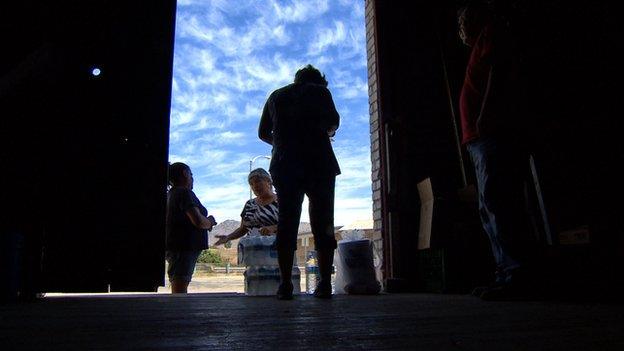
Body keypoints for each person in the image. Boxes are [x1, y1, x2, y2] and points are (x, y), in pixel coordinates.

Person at [458, 3, 537, 300]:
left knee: (498, 202)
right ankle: (506, 273)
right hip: (480, 137)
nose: (461, 29)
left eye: (463, 22)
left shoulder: (490, 34)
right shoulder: (480, 43)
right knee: (491, 204)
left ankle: (516, 276)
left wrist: (487, 112)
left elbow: (498, 70)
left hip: (489, 133)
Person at [259, 64, 341, 300]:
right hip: (319, 163)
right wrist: (325, 132)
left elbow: (263, 132)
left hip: (285, 164)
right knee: (323, 219)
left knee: (287, 219)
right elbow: (333, 123)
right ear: (317, 81)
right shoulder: (320, 92)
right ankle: (324, 283)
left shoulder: (276, 96)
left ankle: (285, 285)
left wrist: (282, 143)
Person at [165, 162, 216, 294]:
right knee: (180, 285)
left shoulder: (172, 194)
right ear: (185, 174)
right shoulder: (184, 193)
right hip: (183, 247)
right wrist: (210, 221)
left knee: (179, 281)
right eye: (191, 175)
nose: (193, 179)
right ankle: (178, 313)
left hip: (178, 248)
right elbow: (198, 221)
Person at [213, 168, 279, 246]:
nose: (255, 186)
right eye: (251, 184)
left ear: (268, 181)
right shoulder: (249, 204)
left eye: (258, 181)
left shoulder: (282, 201)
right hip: (253, 250)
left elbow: (291, 223)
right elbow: (243, 229)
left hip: (277, 249)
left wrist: (273, 228)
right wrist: (228, 237)